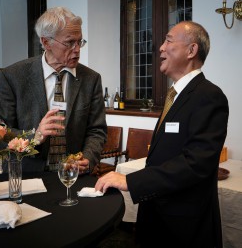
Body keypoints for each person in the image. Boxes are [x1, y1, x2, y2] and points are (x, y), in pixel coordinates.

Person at [95, 21, 229, 248]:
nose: (160, 48)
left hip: (184, 226)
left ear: (191, 50)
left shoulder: (209, 96)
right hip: (157, 215)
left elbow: (195, 164)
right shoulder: (174, 95)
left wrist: (131, 180)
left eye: (168, 40)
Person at [0, 7, 107, 173]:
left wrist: (88, 158)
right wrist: (35, 136)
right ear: (46, 42)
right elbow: (0, 133)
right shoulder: (13, 77)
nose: (77, 49)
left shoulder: (91, 79)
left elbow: (97, 130)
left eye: (79, 41)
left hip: (72, 175)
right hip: (26, 175)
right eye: (69, 43)